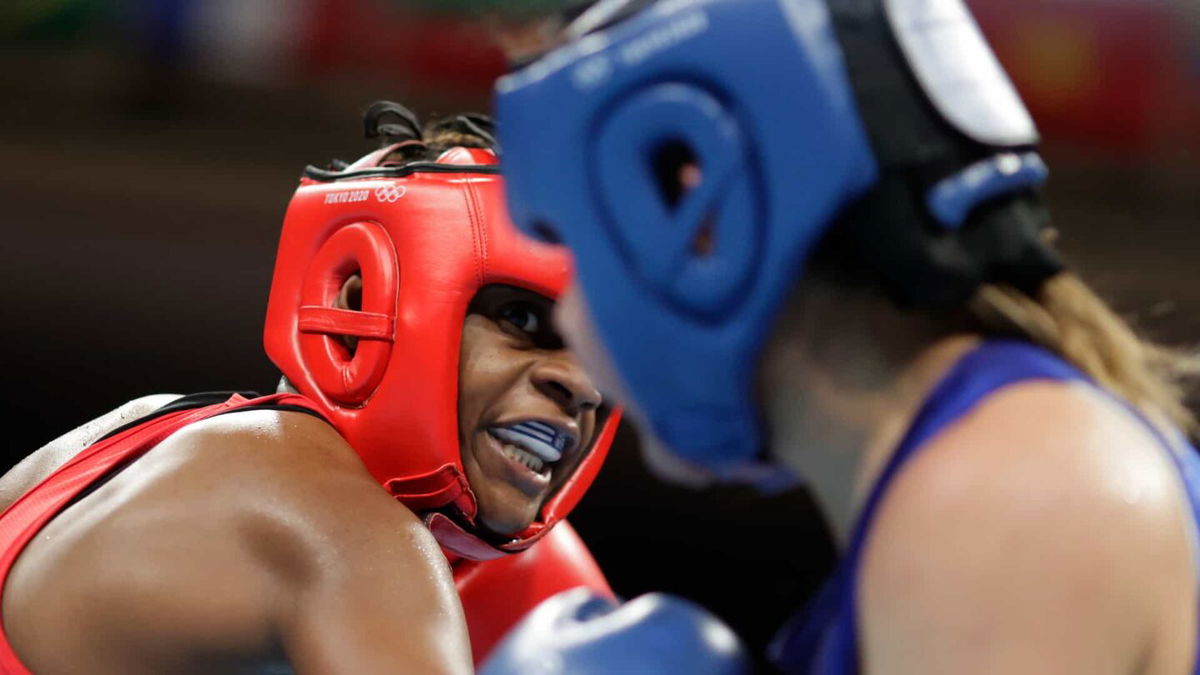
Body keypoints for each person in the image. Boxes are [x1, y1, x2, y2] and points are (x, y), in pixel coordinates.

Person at [487, 0, 1200, 672]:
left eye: (574, 249)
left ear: (700, 219)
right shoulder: (990, 465)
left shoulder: (1007, 491)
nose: (574, 318)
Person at [0, 106, 620, 673]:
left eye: (601, 353)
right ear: (360, 302)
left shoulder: (137, 432)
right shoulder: (345, 531)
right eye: (522, 320)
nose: (581, 385)